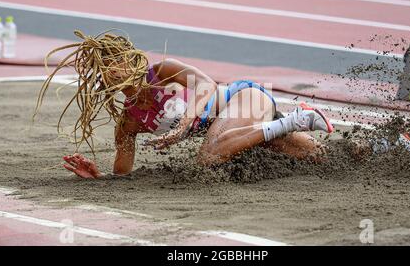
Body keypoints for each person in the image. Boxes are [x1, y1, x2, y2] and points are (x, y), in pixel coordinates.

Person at [34, 30, 333, 178]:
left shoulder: (162, 71)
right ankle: (376, 149)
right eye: (103, 70)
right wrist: (97, 179)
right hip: (236, 132)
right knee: (324, 158)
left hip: (243, 99)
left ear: (129, 59)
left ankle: (295, 119)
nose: (109, 73)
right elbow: (123, 178)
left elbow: (207, 84)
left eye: (113, 64)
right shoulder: (128, 123)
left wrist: (187, 120)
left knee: (208, 155)